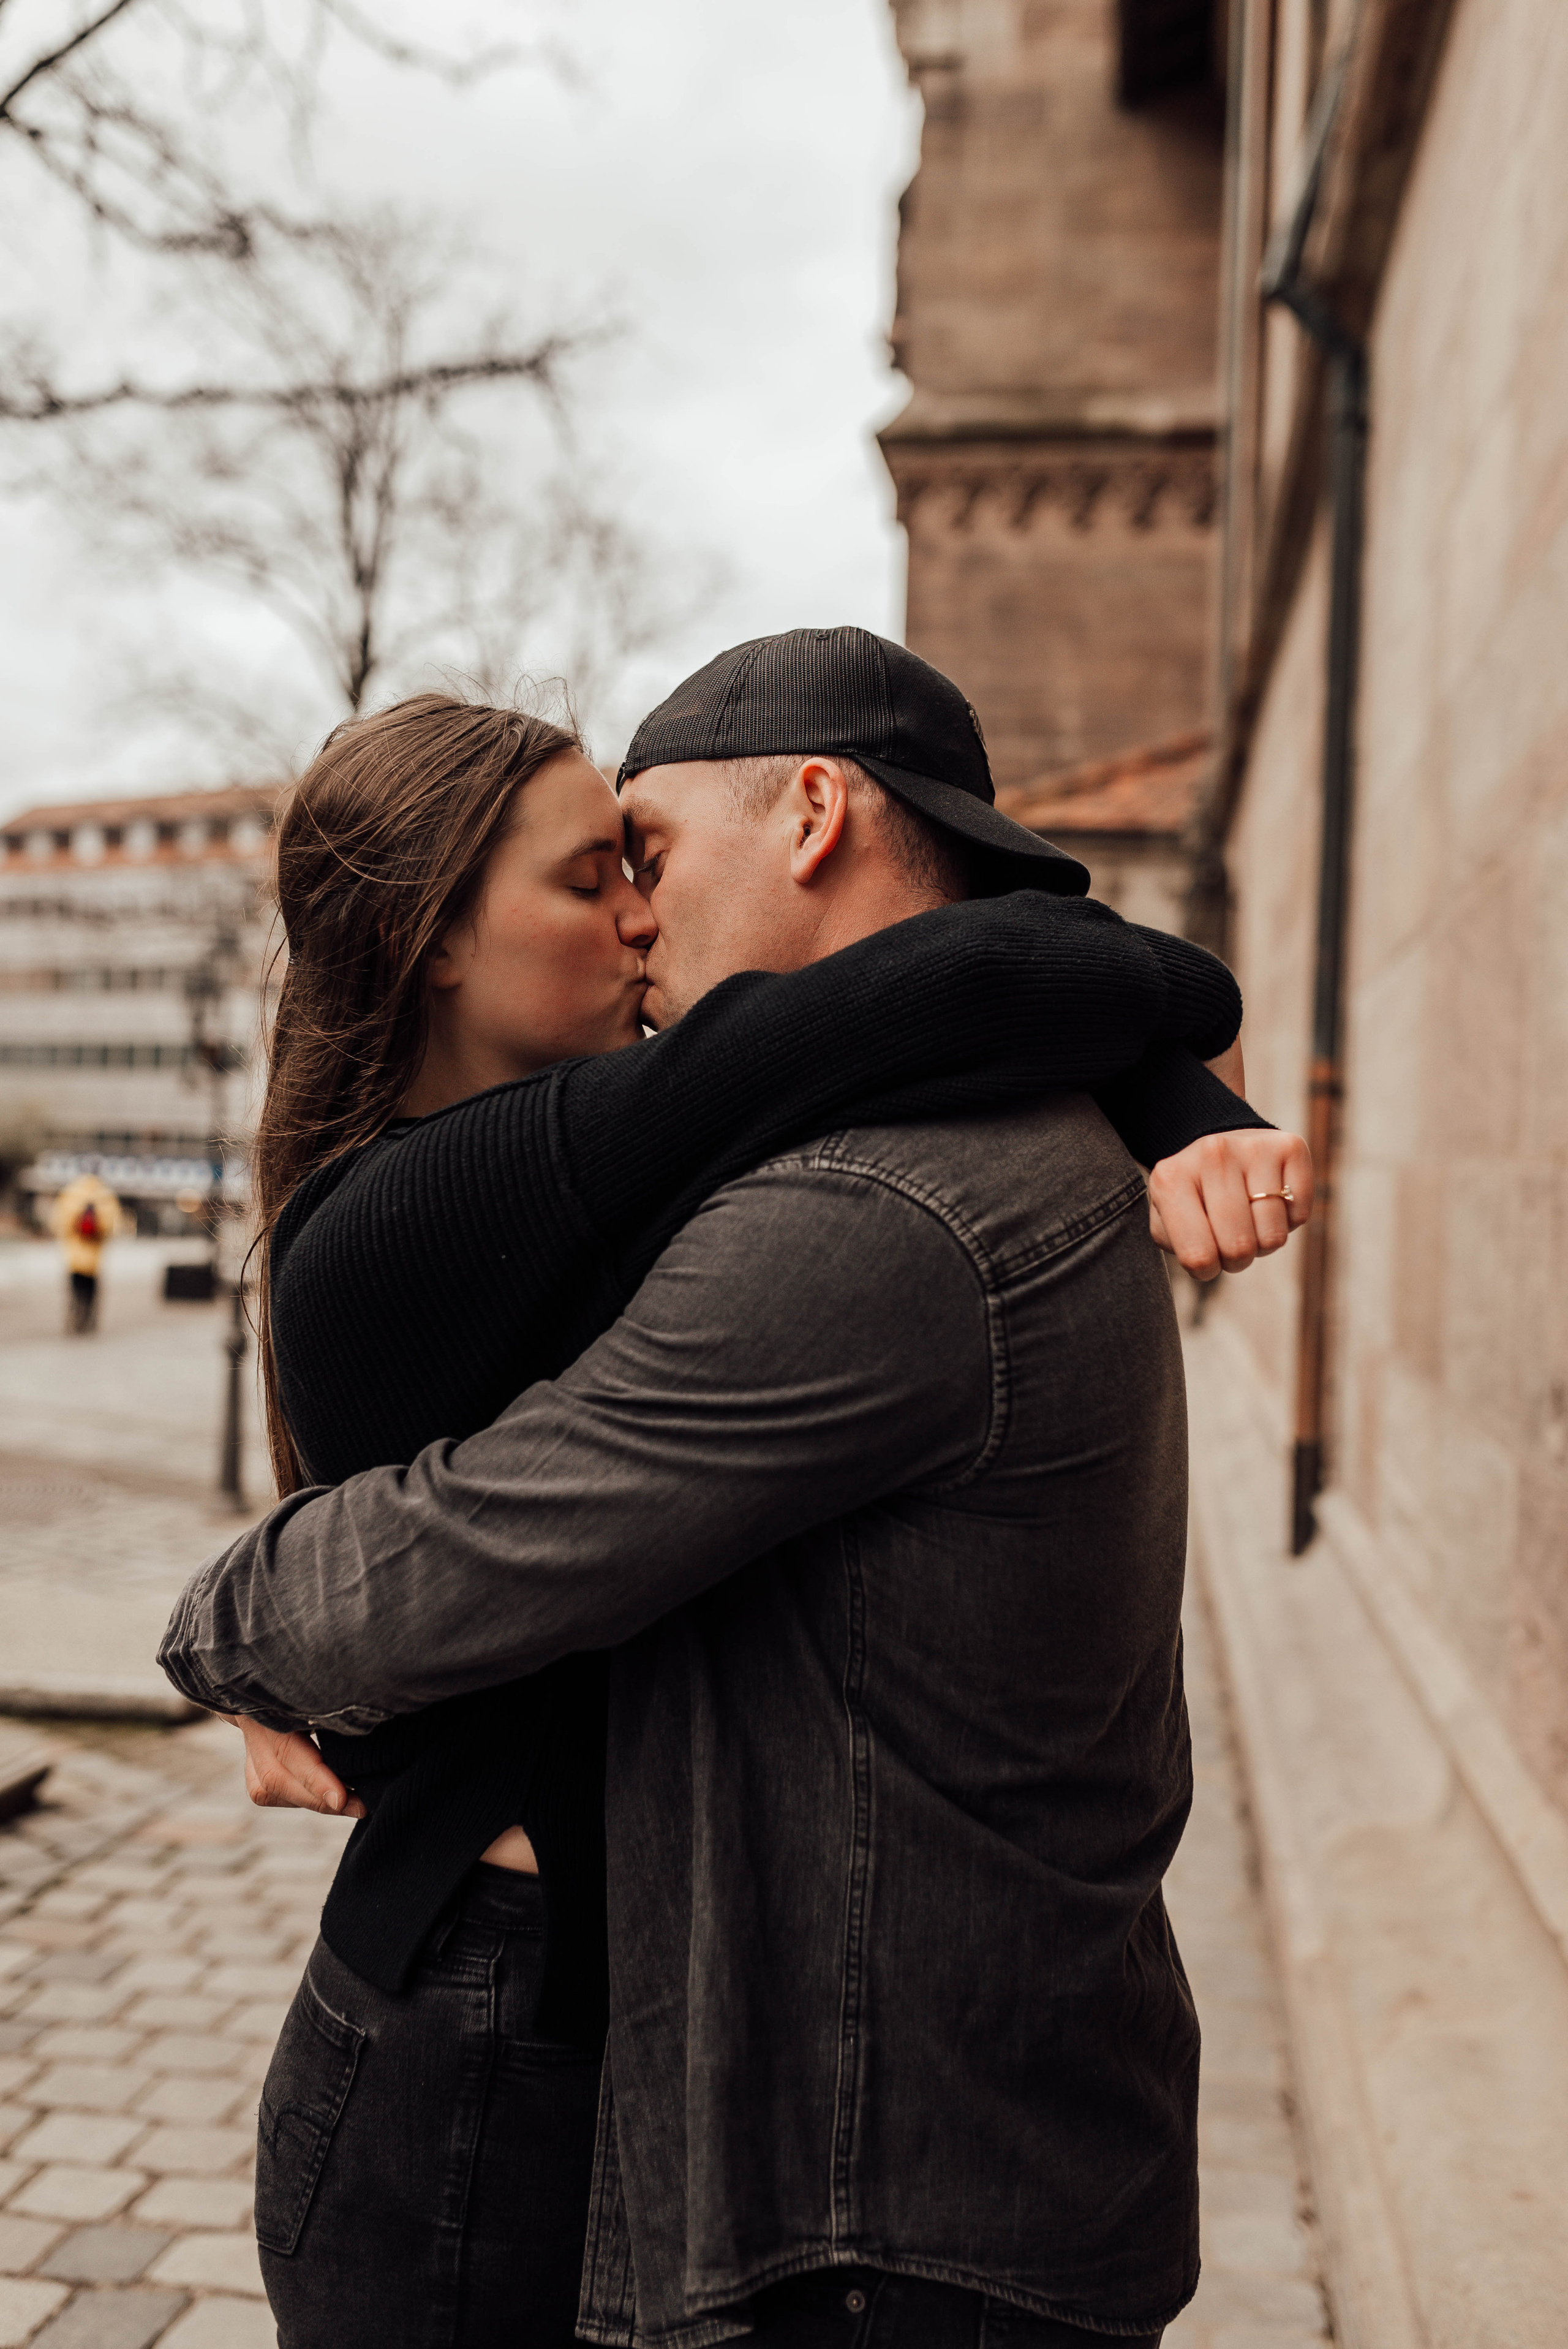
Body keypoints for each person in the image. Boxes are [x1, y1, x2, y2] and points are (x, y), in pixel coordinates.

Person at [162, 632, 1311, 2349]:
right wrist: (1163, 1057)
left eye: (649, 851)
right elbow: (898, 1009)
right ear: (438, 942)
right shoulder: (466, 1198)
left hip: (839, 2168)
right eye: (595, 871)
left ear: (817, 812)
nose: (639, 909)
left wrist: (242, 1622)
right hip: (482, 2048)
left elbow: (906, 1015)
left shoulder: (857, 1202)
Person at [49, 1170, 123, 1333]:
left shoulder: (71, 1193)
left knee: (75, 1287)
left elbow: (58, 1222)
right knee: (91, 1289)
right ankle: (90, 1320)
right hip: (95, 1255)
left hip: (75, 1254)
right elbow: (114, 1226)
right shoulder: (106, 1196)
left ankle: (74, 1317)